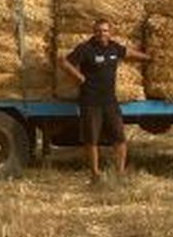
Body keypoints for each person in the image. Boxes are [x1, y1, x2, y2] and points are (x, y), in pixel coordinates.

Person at [60, 19, 151, 182]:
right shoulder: (86, 48)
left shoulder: (114, 47)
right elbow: (64, 62)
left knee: (120, 137)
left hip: (110, 101)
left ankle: (120, 172)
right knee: (92, 140)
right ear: (94, 32)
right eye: (99, 31)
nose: (102, 34)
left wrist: (148, 58)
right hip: (90, 101)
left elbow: (128, 53)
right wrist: (78, 76)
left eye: (105, 31)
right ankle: (95, 174)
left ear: (110, 32)